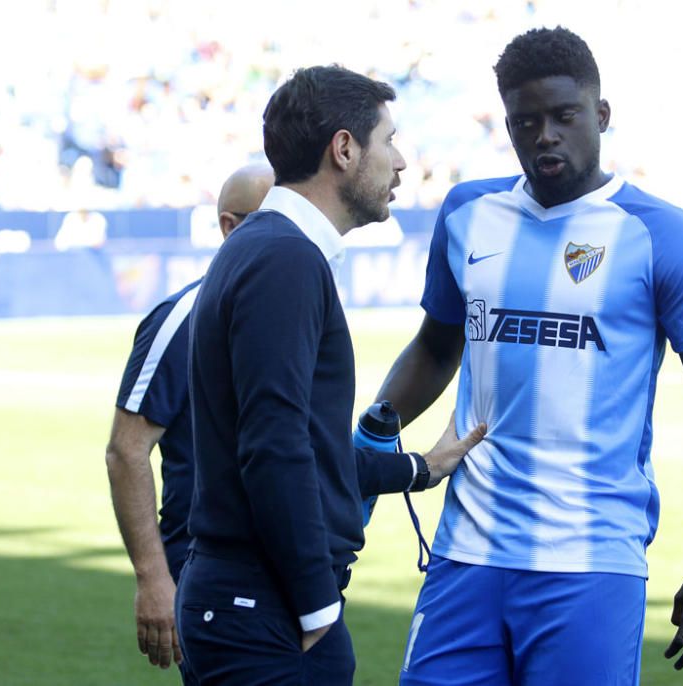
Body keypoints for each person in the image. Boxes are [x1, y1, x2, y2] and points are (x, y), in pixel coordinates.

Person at [378, 27, 683, 685]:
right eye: (526, 122)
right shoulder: (469, 212)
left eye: (564, 116)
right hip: (465, 551)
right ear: (507, 124)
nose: (545, 134)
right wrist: (367, 435)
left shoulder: (661, 234)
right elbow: (436, 347)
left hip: (589, 563)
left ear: (601, 116)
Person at [176, 65, 486, 686]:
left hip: (255, 603)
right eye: (388, 140)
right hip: (265, 610)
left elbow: (305, 448)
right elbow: (273, 443)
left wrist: (420, 467)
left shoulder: (271, 248)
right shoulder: (284, 258)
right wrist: (317, 604)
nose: (400, 162)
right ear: (343, 150)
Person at [105, 162, 274, 681]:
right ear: (230, 226)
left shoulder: (296, 311)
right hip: (211, 577)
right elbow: (126, 450)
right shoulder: (183, 317)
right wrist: (154, 579)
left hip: (288, 574)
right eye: (274, 221)